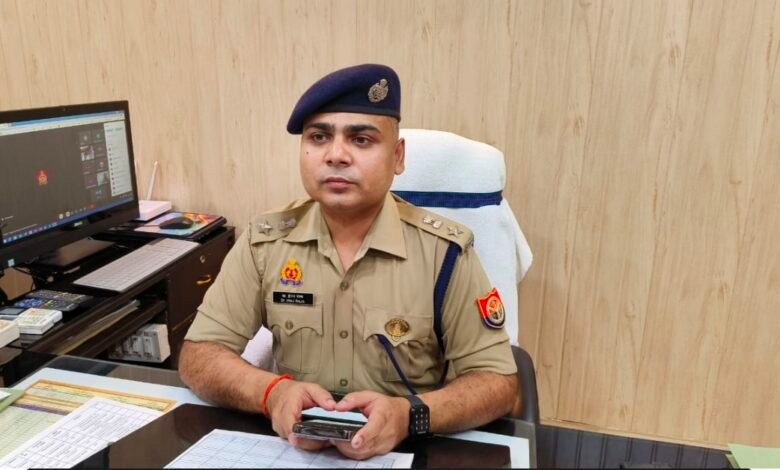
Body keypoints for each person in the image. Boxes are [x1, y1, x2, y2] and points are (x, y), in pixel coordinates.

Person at [179, 63, 518, 460]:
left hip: (406, 452)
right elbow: (199, 356)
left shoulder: (443, 253)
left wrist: (408, 416)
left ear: (397, 156)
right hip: (292, 451)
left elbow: (499, 383)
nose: (336, 155)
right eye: (319, 137)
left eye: (361, 139)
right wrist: (272, 393)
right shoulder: (265, 242)